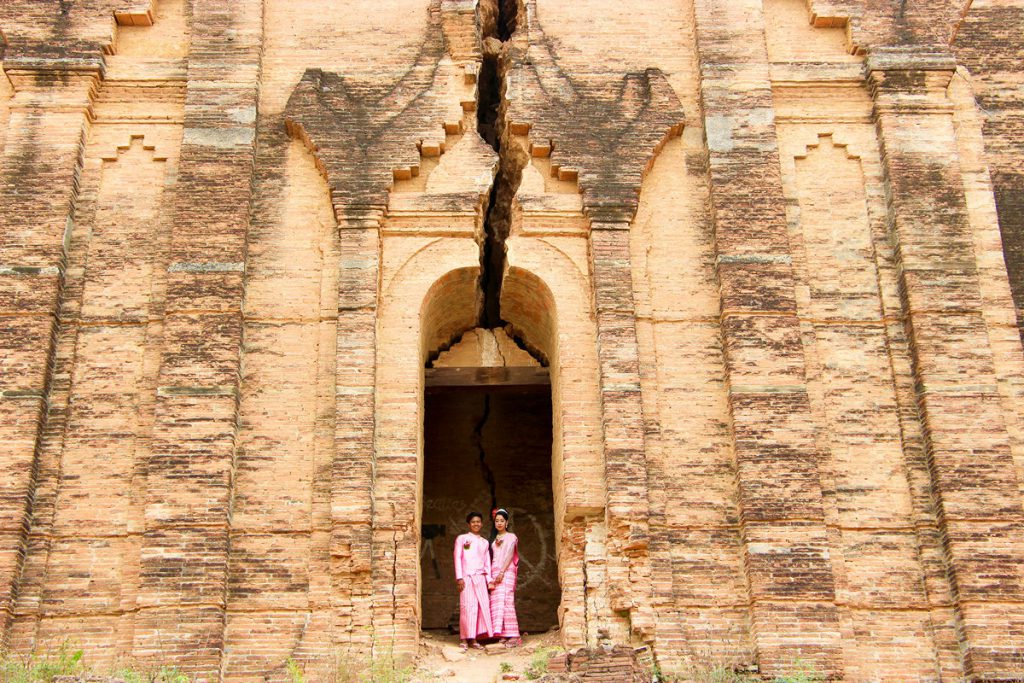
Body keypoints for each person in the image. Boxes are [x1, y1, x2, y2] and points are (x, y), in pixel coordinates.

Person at [454, 511, 493, 649]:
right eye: (473, 522)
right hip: (467, 578)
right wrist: (459, 578)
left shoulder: (484, 542)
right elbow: (458, 558)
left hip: (481, 578)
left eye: (478, 521)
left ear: (481, 524)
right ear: (468, 524)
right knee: (466, 607)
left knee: (479, 608)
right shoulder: (462, 539)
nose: (476, 524)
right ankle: (464, 639)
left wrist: (489, 580)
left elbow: (487, 563)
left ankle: (474, 640)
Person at [487, 508, 521, 647]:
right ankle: (503, 634)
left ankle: (514, 635)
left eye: (502, 520)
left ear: (507, 522)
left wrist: (502, 572)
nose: (499, 523)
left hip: (506, 572)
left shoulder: (511, 537)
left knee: (507, 601)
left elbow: (509, 555)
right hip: (495, 573)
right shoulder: (493, 540)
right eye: (497, 521)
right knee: (497, 602)